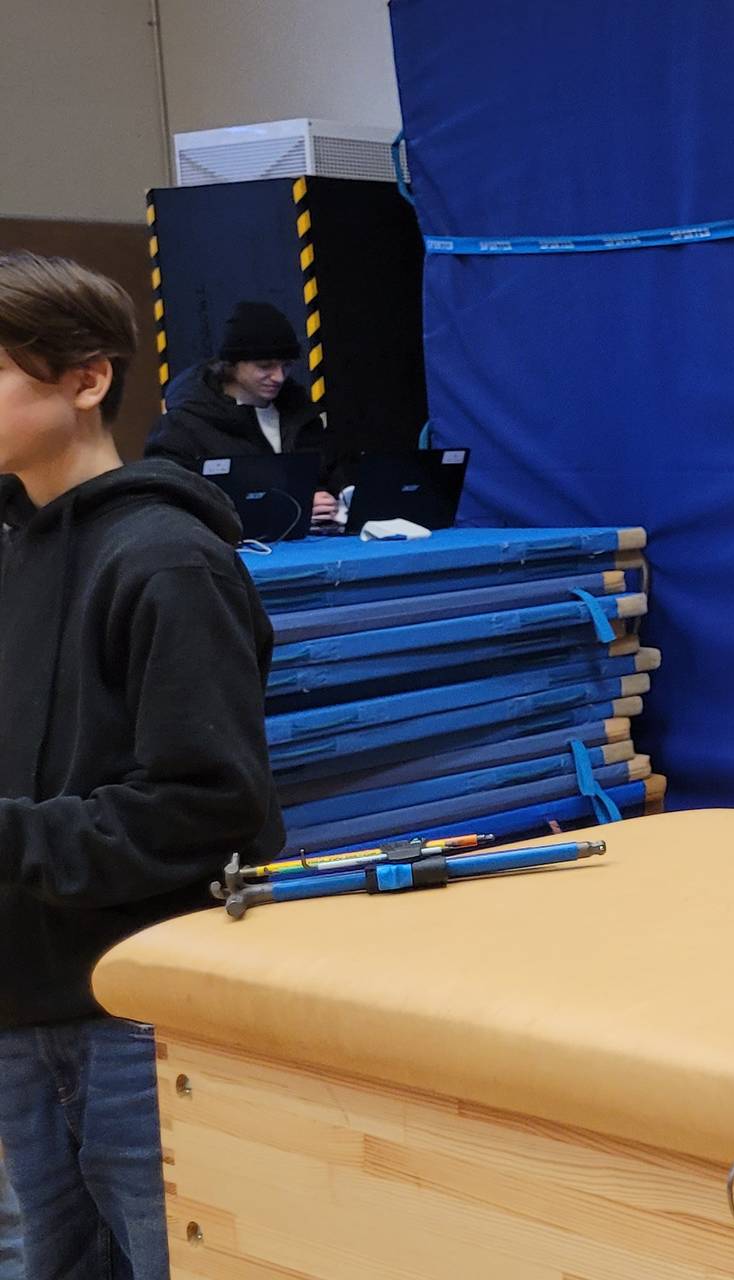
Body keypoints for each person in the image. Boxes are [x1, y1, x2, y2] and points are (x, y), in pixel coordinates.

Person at [0, 252, 285, 1277]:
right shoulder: (14, 552)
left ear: (86, 380)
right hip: (25, 1008)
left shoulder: (166, 560)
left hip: (138, 1019)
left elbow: (208, 806)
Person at [145, 299, 339, 523]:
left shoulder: (302, 415)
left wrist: (327, 497)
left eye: (286, 365)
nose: (279, 377)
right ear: (231, 364)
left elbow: (330, 475)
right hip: (223, 541)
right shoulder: (182, 424)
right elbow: (164, 500)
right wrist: (287, 507)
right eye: (265, 366)